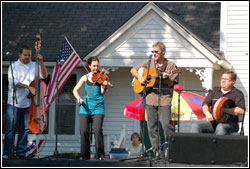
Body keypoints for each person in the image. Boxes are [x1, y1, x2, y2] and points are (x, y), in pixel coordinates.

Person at [130, 42, 178, 159]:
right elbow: (133, 70)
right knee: (152, 126)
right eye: (153, 52)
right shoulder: (149, 62)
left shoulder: (171, 66)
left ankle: (170, 150)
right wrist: (140, 77)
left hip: (165, 98)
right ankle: (156, 151)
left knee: (166, 124)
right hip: (150, 97)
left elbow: (172, 82)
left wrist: (167, 77)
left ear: (163, 51)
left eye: (156, 51)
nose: (154, 54)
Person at [3, 45, 48, 159]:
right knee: (11, 128)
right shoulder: (14, 66)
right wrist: (29, 87)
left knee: (25, 128)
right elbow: (14, 82)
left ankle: (21, 152)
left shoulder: (34, 65)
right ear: (20, 54)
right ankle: (7, 153)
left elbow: (45, 75)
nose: (27, 57)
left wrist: (41, 62)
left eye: (29, 55)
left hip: (28, 103)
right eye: (25, 55)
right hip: (14, 102)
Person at [73, 56, 110, 160]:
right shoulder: (85, 77)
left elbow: (103, 92)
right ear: (89, 66)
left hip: (98, 107)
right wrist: (79, 98)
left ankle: (100, 155)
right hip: (85, 108)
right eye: (94, 66)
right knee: (83, 130)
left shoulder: (102, 77)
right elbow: (74, 90)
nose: (96, 68)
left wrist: (105, 85)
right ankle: (84, 155)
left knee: (97, 130)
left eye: (97, 66)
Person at [191, 71, 245, 135]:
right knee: (196, 125)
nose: (223, 81)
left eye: (226, 79)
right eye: (222, 79)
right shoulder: (214, 91)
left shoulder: (237, 93)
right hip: (213, 121)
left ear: (233, 81)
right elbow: (205, 104)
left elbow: (241, 110)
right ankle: (196, 144)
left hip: (230, 123)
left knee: (221, 127)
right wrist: (207, 113)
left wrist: (223, 110)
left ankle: (216, 145)